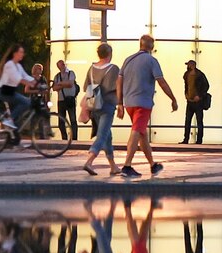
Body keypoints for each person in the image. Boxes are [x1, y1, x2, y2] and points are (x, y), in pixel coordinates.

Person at [118, 35, 177, 179]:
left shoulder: (128, 60)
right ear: (152, 47)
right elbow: (161, 81)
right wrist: (173, 99)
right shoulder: (151, 61)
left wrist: (119, 102)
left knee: (142, 134)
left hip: (129, 103)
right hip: (143, 104)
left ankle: (153, 165)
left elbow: (119, 81)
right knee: (136, 132)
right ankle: (127, 166)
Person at [80, 43, 122, 177]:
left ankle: (113, 166)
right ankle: (89, 161)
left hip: (94, 104)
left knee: (107, 135)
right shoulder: (114, 69)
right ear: (109, 54)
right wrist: (121, 104)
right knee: (102, 135)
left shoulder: (91, 68)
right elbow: (118, 87)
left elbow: (86, 86)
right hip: (108, 105)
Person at [0, 44, 35, 137]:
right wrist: (30, 84)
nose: (22, 54)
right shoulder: (9, 65)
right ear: (14, 53)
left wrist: (37, 83)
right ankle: (9, 120)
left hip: (10, 91)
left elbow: (26, 76)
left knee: (26, 104)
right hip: (4, 91)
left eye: (22, 52)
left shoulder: (18, 66)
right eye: (20, 52)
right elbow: (18, 78)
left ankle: (13, 138)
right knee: (26, 102)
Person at [182, 60, 210, 144]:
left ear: (193, 65)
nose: (188, 66)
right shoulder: (186, 75)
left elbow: (206, 86)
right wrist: (186, 94)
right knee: (187, 120)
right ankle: (186, 139)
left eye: (189, 65)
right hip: (190, 101)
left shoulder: (200, 75)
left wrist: (200, 96)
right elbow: (186, 86)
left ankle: (199, 140)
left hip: (198, 102)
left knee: (199, 121)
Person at [52, 59, 79, 141]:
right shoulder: (57, 76)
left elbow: (70, 84)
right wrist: (64, 84)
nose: (62, 66)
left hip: (70, 99)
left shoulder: (71, 73)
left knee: (73, 120)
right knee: (61, 121)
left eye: (63, 64)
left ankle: (74, 139)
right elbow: (54, 88)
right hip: (61, 100)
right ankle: (64, 139)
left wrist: (60, 84)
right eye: (60, 65)